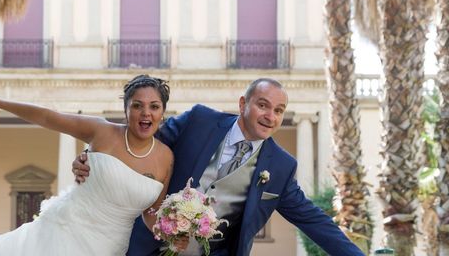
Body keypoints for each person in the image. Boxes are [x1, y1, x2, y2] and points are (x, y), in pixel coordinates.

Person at [73, 78, 365, 256]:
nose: (271, 116)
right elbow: (139, 143)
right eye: (263, 105)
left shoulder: (280, 166)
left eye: (278, 111)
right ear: (243, 104)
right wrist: (92, 158)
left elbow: (313, 220)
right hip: (145, 247)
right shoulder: (199, 121)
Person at [0, 75, 177, 256]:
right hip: (64, 231)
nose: (146, 112)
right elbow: (49, 117)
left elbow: (152, 212)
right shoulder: (102, 132)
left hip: (109, 246)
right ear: (126, 110)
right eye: (137, 105)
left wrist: (175, 232)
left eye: (154, 106)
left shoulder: (165, 157)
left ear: (162, 112)